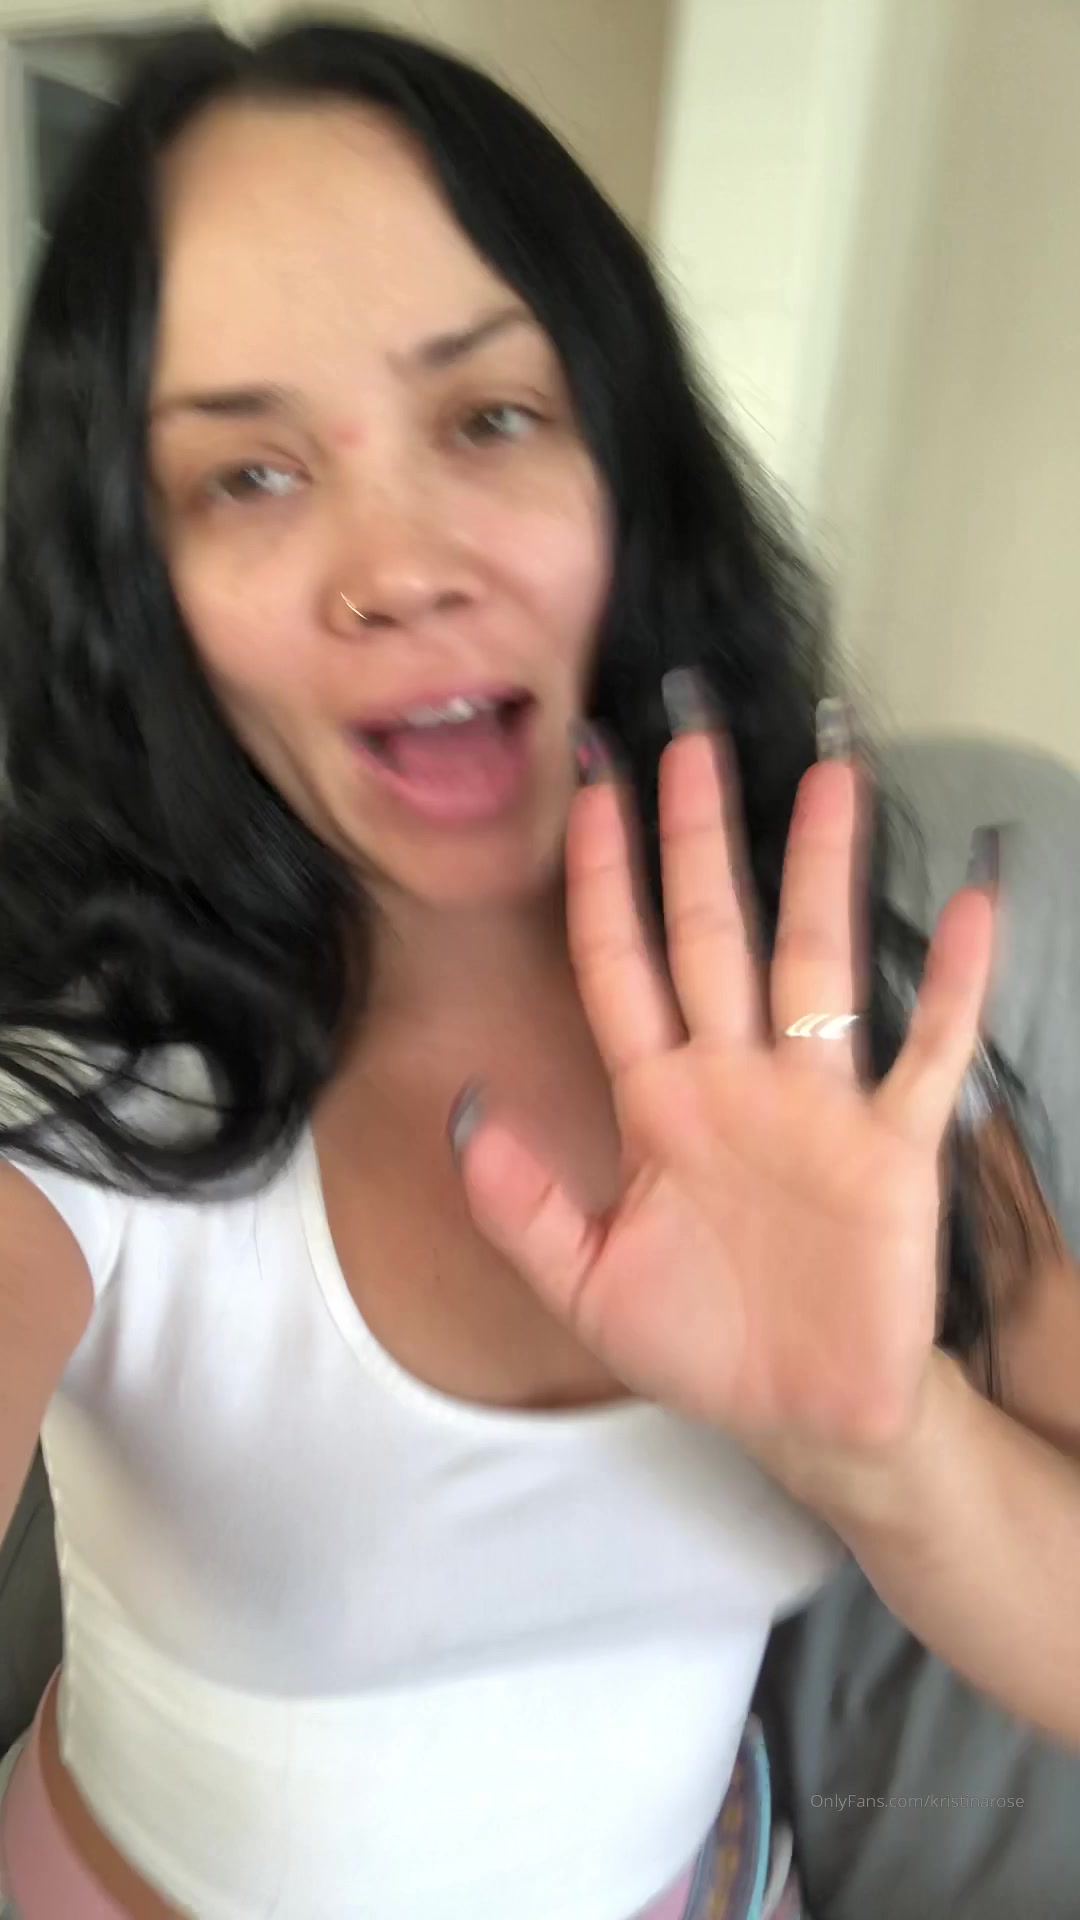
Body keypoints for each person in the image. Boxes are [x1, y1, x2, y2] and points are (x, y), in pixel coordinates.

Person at [0, 20, 1077, 1920]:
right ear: (138, 585)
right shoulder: (82, 1090)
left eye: (490, 417)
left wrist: (888, 1443)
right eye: (247, 475)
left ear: (625, 471)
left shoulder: (829, 1020)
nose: (400, 564)